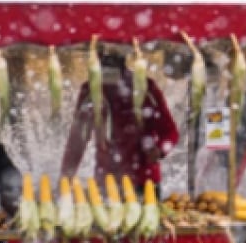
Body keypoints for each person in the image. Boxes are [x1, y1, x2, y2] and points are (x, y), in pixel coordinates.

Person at [60, 52, 179, 188]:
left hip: (143, 181)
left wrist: (159, 150)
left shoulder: (145, 88)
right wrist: (66, 176)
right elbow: (77, 140)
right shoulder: (90, 91)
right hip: (107, 181)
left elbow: (170, 131)